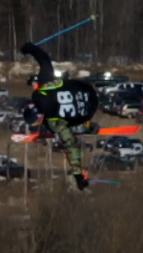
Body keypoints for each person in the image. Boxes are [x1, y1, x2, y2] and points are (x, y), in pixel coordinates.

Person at [20, 41, 99, 191]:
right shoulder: (43, 87)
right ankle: (87, 125)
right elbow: (44, 60)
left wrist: (78, 176)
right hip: (87, 89)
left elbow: (72, 147)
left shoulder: (54, 123)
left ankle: (88, 125)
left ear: (39, 118)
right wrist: (29, 48)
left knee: (69, 129)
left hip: (90, 109)